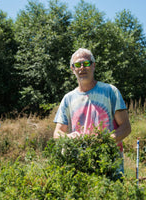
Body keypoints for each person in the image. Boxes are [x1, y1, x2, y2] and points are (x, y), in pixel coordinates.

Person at [53, 48, 131, 177]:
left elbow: (126, 127)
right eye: (77, 65)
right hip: (78, 165)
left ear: (93, 66)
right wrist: (68, 137)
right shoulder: (68, 98)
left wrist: (104, 142)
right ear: (73, 69)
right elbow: (57, 133)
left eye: (86, 63)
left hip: (109, 164)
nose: (82, 68)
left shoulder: (110, 91)